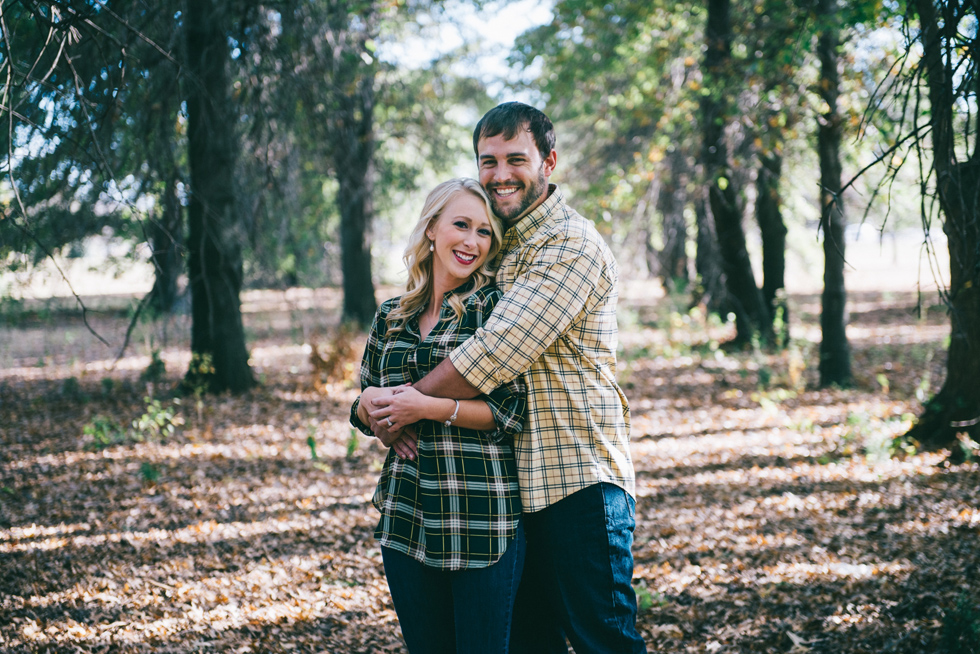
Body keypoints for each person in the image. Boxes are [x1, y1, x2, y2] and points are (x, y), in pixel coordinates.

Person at [367, 102, 647, 653]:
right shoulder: (500, 242)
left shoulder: (570, 244)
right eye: (487, 161)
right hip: (513, 493)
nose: (499, 175)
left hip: (577, 481)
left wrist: (400, 406)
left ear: (549, 162)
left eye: (515, 159)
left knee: (603, 640)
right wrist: (371, 409)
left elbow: (493, 356)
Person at [350, 177, 527, 654]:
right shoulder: (391, 315)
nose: (471, 241)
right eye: (461, 225)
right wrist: (370, 410)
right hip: (406, 514)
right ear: (431, 230)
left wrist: (423, 408)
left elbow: (510, 412)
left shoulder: (493, 310)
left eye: (484, 232)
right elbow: (364, 399)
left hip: (479, 515)